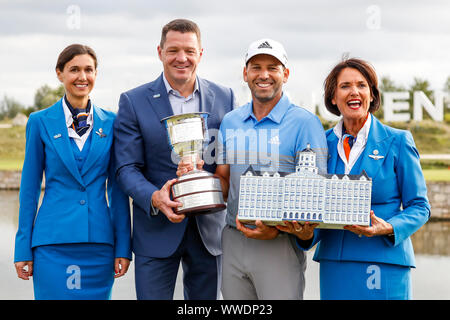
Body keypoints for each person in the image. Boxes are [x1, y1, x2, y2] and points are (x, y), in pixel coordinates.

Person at [180, 39, 328, 299]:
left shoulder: (306, 123)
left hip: (278, 243)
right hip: (233, 239)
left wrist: (278, 228)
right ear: (245, 73)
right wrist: (196, 179)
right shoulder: (231, 121)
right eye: (256, 67)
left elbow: (313, 196)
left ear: (286, 74)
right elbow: (224, 181)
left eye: (273, 67)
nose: (264, 74)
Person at [282, 57, 431, 299]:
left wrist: (389, 227)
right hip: (336, 265)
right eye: (345, 86)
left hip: (385, 262)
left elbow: (420, 206)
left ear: (372, 95)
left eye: (362, 85)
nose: (354, 92)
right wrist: (305, 233)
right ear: (333, 97)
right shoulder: (320, 144)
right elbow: (314, 206)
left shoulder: (398, 141)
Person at [113, 19, 235, 300]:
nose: (182, 58)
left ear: (200, 54)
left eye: (190, 51)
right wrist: (155, 197)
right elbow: (126, 168)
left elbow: (229, 160)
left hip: (210, 231)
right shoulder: (133, 101)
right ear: (160, 52)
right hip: (155, 231)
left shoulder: (225, 98)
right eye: (173, 50)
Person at [14, 44, 132, 300]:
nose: (82, 76)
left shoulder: (113, 122)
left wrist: (123, 245)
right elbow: (29, 188)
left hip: (99, 244)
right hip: (51, 243)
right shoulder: (39, 121)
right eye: (74, 69)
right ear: (59, 74)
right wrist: (23, 248)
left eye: (88, 70)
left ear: (96, 74)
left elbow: (118, 189)